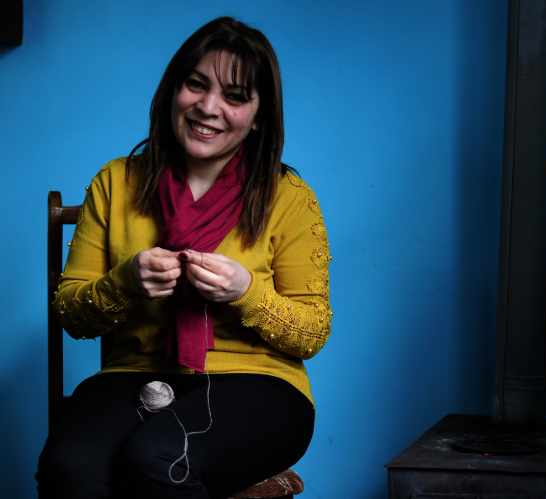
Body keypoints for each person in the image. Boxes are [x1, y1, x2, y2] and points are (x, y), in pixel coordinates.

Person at [36, 17, 331, 499]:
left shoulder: (289, 196)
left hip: (260, 383)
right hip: (135, 374)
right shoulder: (116, 183)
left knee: (159, 460)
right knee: (69, 468)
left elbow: (312, 332)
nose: (209, 107)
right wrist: (126, 282)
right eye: (196, 84)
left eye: (234, 96)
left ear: (259, 116)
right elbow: (72, 315)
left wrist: (246, 293)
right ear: (174, 89)